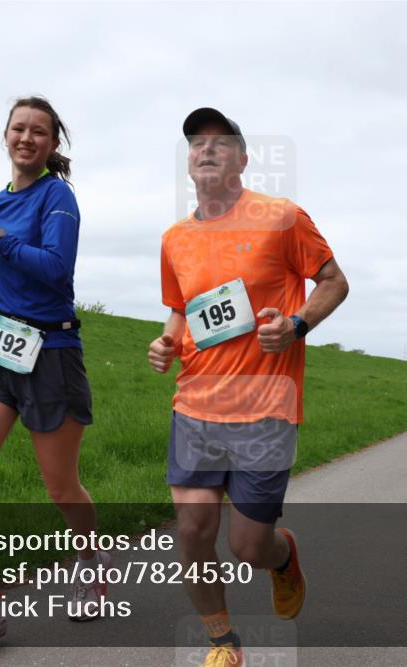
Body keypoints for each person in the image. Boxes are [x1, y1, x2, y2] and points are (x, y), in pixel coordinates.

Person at [148, 107, 348, 667]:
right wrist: (167, 342)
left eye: (219, 142)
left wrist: (299, 323)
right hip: (195, 406)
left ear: (242, 158)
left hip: (266, 409)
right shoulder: (174, 239)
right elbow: (179, 310)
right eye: (195, 144)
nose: (205, 150)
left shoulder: (282, 217)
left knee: (247, 546)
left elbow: (334, 280)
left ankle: (282, 559)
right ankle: (222, 642)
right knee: (192, 531)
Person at [0, 96, 110, 662]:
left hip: (51, 350)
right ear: (5, 135)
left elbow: (56, 268)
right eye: (19, 128)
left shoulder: (58, 196)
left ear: (53, 145)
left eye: (40, 131)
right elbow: (5, 260)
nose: (27, 138)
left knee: (61, 486)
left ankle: (90, 561)